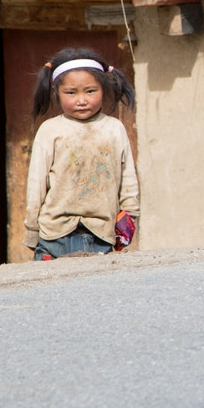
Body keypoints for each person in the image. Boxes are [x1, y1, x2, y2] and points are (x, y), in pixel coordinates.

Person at [24, 48, 140, 260]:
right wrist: (32, 231)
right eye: (71, 92)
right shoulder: (50, 130)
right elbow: (36, 185)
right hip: (54, 236)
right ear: (56, 92)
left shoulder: (114, 128)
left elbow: (128, 178)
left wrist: (130, 217)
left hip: (101, 234)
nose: (81, 100)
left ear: (103, 89)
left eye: (90, 91)